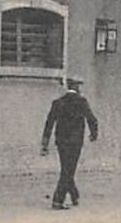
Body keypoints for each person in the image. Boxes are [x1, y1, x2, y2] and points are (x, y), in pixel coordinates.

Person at [41, 77, 99, 210]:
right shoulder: (81, 102)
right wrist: (93, 134)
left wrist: (45, 143)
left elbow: (49, 123)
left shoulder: (58, 103)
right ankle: (58, 200)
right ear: (77, 88)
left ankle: (74, 195)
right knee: (69, 169)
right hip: (75, 142)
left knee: (66, 168)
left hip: (61, 141)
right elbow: (92, 119)